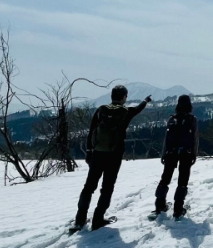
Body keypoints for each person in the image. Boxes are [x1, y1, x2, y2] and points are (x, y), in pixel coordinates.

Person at [73, 85, 150, 231]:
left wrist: (89, 152)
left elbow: (91, 132)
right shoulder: (126, 111)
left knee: (89, 187)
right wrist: (145, 100)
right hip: (114, 156)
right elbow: (139, 108)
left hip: (97, 154)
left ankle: (79, 220)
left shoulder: (101, 110)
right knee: (107, 188)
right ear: (123, 97)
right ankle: (98, 219)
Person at [154, 94, 198, 219]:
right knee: (183, 181)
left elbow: (166, 139)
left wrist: (164, 154)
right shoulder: (191, 119)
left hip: (171, 153)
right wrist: (194, 154)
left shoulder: (172, 119)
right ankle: (178, 209)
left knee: (165, 179)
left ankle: (159, 205)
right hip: (186, 153)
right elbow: (195, 138)